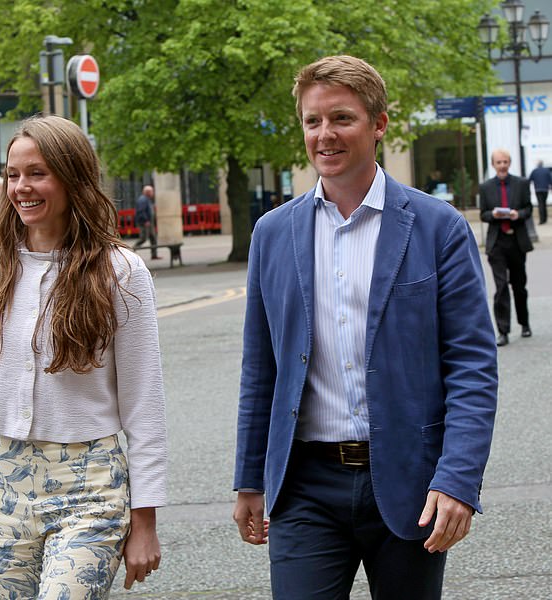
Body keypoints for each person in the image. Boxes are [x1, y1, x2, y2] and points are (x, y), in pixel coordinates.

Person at [233, 55, 498, 600]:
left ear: (378, 125)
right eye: (312, 121)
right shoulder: (272, 233)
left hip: (408, 481)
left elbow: (472, 365)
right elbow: (260, 369)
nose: (324, 134)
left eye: (341, 118)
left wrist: (458, 479)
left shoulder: (436, 227)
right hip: (305, 484)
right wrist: (249, 478)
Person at [0, 115, 167, 599]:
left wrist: (144, 520)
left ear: (72, 177)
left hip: (92, 485)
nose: (21, 187)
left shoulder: (120, 271)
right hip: (8, 487)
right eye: (14, 174)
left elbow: (145, 403)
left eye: (38, 173)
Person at [480, 149, 533, 347]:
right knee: (501, 287)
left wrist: (517, 214)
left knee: (519, 286)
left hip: (516, 242)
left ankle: (524, 323)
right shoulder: (485, 187)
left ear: (509, 163)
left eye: (505, 162)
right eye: (498, 162)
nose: (502, 165)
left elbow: (528, 208)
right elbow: (483, 214)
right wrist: (493, 215)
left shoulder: (521, 184)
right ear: (493, 165)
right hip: (497, 243)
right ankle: (503, 331)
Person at [133, 185, 160, 259]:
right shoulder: (143, 200)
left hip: (149, 223)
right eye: (152, 191)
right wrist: (145, 220)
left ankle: (154, 255)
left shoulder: (147, 199)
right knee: (143, 238)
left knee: (153, 238)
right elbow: (141, 211)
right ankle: (133, 250)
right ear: (147, 192)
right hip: (145, 223)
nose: (153, 193)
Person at [528, 160, 551, 225]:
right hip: (545, 189)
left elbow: (530, 179)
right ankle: (545, 219)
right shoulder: (547, 171)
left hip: (538, 189)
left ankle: (542, 220)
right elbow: (550, 179)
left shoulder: (535, 171)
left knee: (540, 204)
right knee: (544, 203)